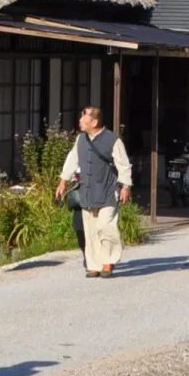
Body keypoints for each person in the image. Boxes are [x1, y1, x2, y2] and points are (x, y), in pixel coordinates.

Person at [54, 105, 130, 276]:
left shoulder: (112, 140)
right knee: (90, 231)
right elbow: (72, 160)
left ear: (94, 121)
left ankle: (108, 262)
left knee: (105, 226)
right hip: (87, 191)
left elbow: (123, 165)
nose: (80, 120)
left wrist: (125, 186)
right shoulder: (81, 139)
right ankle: (94, 265)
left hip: (107, 191)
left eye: (84, 117)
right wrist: (63, 182)